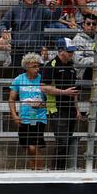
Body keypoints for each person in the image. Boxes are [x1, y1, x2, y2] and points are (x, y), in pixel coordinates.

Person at [40, 38, 81, 170]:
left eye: (72, 52)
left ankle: (60, 170)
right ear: (61, 51)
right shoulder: (50, 65)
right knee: (62, 142)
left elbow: (73, 91)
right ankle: (55, 170)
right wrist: (64, 92)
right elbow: (43, 88)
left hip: (70, 110)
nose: (71, 54)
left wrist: (77, 109)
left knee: (67, 142)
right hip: (56, 109)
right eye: (69, 52)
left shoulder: (71, 67)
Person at [7, 53, 48, 170]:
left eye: (38, 66)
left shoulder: (42, 79)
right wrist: (14, 115)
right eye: (34, 66)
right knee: (28, 147)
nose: (37, 69)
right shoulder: (19, 79)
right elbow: (11, 99)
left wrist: (42, 104)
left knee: (33, 146)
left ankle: (39, 170)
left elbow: (50, 99)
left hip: (39, 117)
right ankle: (33, 170)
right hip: (24, 118)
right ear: (27, 66)